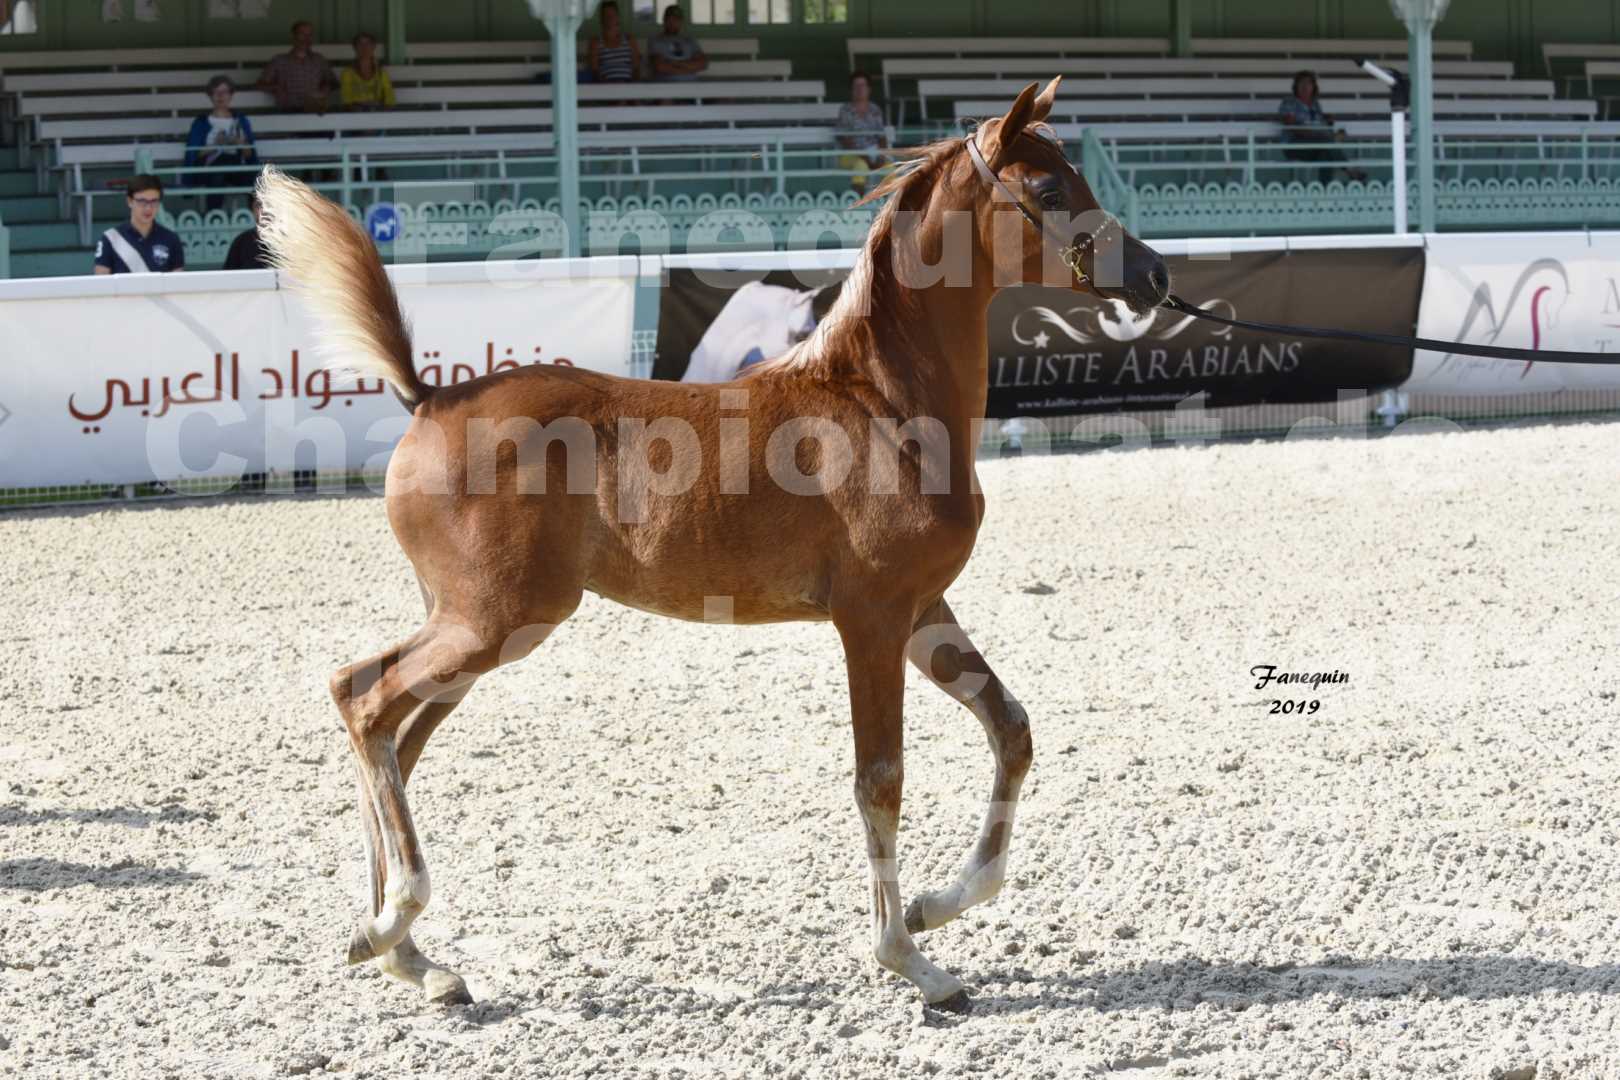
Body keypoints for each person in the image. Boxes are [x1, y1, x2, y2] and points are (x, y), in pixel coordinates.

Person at [1278, 70, 1368, 185]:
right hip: (1295, 146)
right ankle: (1350, 171)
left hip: (1316, 145)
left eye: (1308, 83)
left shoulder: (1315, 104)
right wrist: (1313, 134)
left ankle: (1324, 188)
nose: (1305, 87)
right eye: (1301, 83)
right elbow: (1291, 126)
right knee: (1326, 142)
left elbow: (1319, 122)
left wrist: (1327, 120)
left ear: (1313, 87)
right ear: (1296, 86)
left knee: (1326, 154)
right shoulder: (1289, 102)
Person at [184, 75, 258, 212]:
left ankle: (255, 218)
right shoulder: (201, 121)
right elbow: (194, 154)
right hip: (209, 168)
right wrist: (215, 146)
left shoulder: (240, 120)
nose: (220, 96)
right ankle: (214, 216)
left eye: (224, 92)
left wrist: (239, 143)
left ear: (231, 95)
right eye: (215, 92)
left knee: (257, 179)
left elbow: (249, 155)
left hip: (235, 166)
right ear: (210, 96)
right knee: (218, 171)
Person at [93, 175, 185, 274]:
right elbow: (101, 283)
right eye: (142, 202)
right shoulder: (110, 238)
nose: (148, 208)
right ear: (129, 201)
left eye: (154, 202)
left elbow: (177, 283)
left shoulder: (171, 239)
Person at [256, 19, 337, 113]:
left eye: (309, 35)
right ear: (293, 36)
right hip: (288, 110)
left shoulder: (319, 60)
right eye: (302, 34)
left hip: (314, 110)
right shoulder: (279, 60)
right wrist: (276, 87)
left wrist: (326, 88)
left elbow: (333, 82)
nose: (306, 39)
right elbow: (260, 84)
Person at [836, 70, 888, 195]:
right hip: (850, 155)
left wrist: (881, 156)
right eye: (856, 86)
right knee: (861, 166)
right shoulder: (845, 111)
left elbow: (882, 137)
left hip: (873, 153)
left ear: (869, 89)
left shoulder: (875, 110)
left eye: (863, 85)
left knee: (890, 169)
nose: (860, 89)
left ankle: (897, 211)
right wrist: (865, 157)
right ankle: (859, 207)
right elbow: (845, 140)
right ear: (851, 89)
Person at [648, 4, 706, 83]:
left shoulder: (689, 40)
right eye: (669, 19)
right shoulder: (656, 40)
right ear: (664, 20)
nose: (672, 23)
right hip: (665, 87)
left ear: (681, 22)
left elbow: (702, 63)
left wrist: (675, 63)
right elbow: (660, 67)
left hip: (691, 86)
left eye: (676, 20)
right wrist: (690, 68)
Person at [340, 30, 395, 110]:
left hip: (378, 113)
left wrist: (381, 110)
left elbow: (390, 100)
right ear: (355, 48)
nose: (364, 47)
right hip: (355, 115)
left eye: (368, 43)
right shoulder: (347, 73)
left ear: (373, 47)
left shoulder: (381, 73)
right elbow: (346, 101)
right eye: (360, 44)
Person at [587, 1, 639, 84]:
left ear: (618, 17)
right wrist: (607, 87)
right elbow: (594, 71)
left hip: (628, 86)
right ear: (602, 19)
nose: (610, 18)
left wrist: (632, 87)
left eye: (612, 15)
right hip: (606, 87)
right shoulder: (596, 42)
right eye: (606, 15)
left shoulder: (629, 40)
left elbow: (636, 68)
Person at [223, 194, 271, 271]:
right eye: (259, 205)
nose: (264, 210)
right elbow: (227, 277)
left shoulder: (289, 243)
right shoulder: (241, 242)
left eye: (269, 204)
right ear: (252, 210)